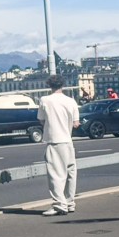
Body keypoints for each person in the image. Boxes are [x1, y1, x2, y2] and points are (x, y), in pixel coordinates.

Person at [37, 75, 80, 217]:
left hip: (55, 140)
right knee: (70, 173)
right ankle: (69, 202)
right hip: (68, 141)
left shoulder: (45, 100)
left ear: (49, 85)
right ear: (63, 85)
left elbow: (41, 120)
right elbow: (76, 123)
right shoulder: (71, 101)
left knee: (56, 175)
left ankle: (59, 205)